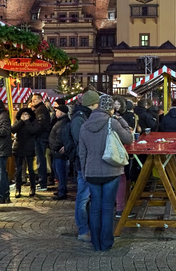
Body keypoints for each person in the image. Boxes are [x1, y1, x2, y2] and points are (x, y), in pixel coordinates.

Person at [79, 94, 133, 252]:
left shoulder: (84, 125)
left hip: (91, 172)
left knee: (95, 207)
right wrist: (120, 118)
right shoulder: (112, 122)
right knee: (108, 207)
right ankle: (106, 242)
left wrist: (84, 171)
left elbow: (82, 153)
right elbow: (129, 138)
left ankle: (95, 242)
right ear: (111, 108)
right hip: (111, 170)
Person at [68, 90, 99, 242]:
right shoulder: (79, 118)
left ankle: (87, 227)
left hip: (87, 162)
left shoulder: (84, 116)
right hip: (84, 164)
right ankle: (83, 230)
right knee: (83, 197)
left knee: (86, 197)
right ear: (93, 104)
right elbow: (81, 143)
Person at [11, 107, 40, 198]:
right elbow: (13, 129)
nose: (24, 116)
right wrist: (21, 121)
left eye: (26, 114)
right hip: (19, 148)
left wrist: (27, 122)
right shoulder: (18, 122)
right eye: (23, 115)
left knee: (30, 169)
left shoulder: (33, 123)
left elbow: (33, 131)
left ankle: (32, 188)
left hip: (29, 148)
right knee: (18, 170)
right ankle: (17, 189)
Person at [113, 96, 134, 218]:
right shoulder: (117, 120)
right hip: (118, 151)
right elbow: (128, 136)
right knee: (121, 177)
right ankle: (120, 208)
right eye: (114, 104)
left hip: (110, 154)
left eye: (118, 104)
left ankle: (118, 206)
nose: (116, 107)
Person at [48, 104, 71, 200]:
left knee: (61, 172)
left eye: (57, 111)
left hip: (58, 152)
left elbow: (60, 138)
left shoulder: (63, 123)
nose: (55, 113)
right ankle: (61, 190)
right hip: (57, 151)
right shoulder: (61, 121)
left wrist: (54, 148)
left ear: (61, 112)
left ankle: (62, 191)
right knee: (60, 172)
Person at [30, 93, 52, 191]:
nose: (32, 101)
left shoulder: (41, 110)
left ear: (40, 99)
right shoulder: (40, 109)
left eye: (34, 99)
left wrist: (33, 131)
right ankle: (42, 182)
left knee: (40, 160)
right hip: (41, 136)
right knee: (40, 159)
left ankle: (43, 183)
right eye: (32, 99)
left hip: (40, 137)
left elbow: (40, 124)